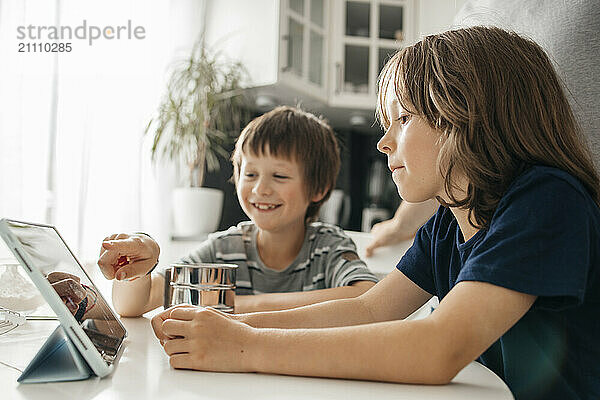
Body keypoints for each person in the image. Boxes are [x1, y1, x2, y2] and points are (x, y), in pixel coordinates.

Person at [150, 27, 600, 400]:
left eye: (402, 119)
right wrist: (230, 326)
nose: (384, 143)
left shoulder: (547, 200)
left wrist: (246, 348)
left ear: (467, 115)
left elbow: (437, 348)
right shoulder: (448, 221)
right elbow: (368, 309)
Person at [365, 0, 600, 257]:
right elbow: (443, 143)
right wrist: (404, 222)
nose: (383, 142)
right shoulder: (472, 13)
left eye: (403, 118)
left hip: (562, 222)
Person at [97, 106, 378, 316]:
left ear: (318, 189)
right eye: (250, 174)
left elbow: (367, 295)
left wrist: (237, 305)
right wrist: (137, 268)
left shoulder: (328, 249)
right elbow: (136, 304)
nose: (261, 189)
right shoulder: (224, 250)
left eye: (279, 176)